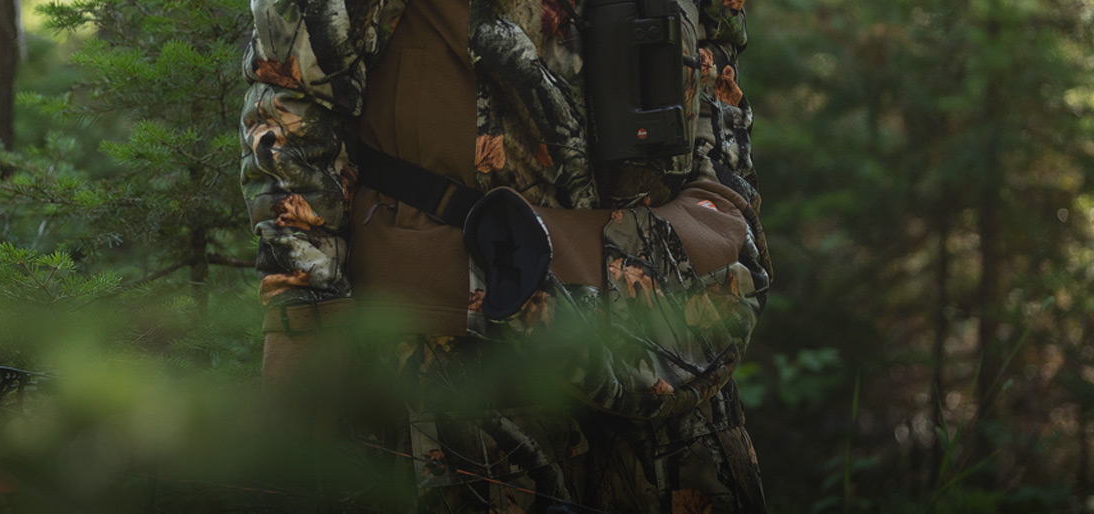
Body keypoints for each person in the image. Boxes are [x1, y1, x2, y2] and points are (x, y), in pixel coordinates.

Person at [240, 0, 771, 512]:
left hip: (669, 332)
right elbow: (293, 91)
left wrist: (716, 214)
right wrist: (306, 313)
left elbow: (715, 64)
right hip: (459, 349)